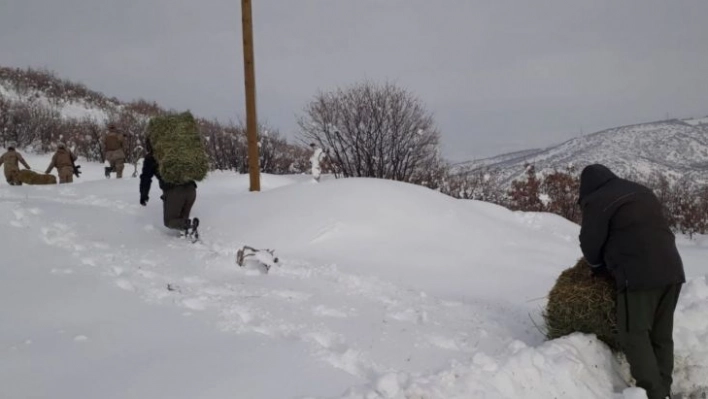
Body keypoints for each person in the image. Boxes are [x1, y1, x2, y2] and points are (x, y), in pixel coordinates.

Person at [578, 164, 685, 399]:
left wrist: (597, 267)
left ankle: (654, 393)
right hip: (672, 270)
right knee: (661, 335)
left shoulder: (596, 199)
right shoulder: (640, 190)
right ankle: (664, 389)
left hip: (638, 274)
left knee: (634, 335)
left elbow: (590, 242)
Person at [139, 139, 198, 235]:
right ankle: (189, 233)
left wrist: (143, 195)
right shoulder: (175, 151)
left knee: (170, 221)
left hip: (175, 191)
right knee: (182, 220)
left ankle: (190, 225)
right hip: (191, 189)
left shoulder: (151, 158)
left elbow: (145, 178)